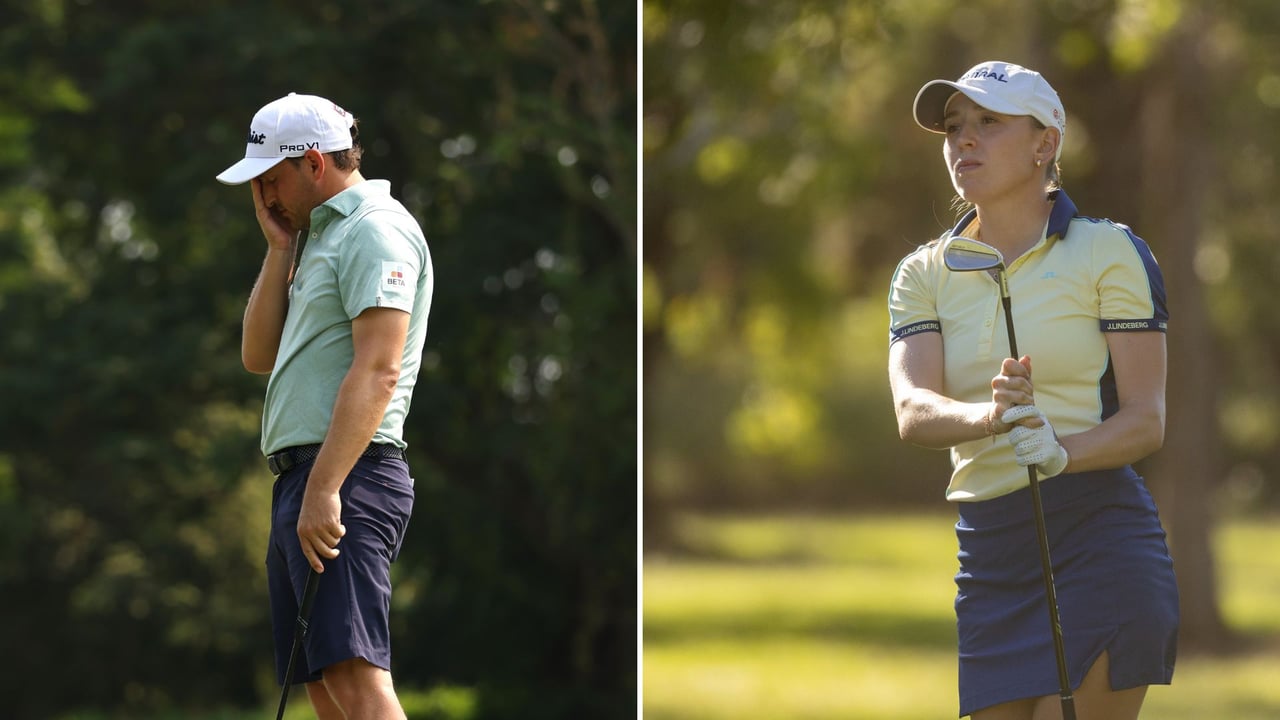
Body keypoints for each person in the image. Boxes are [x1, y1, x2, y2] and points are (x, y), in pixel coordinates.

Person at [886, 61, 1178, 719]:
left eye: (989, 123)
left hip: (1099, 537)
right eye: (955, 127)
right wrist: (993, 416)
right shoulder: (922, 274)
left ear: (1045, 142)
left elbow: (1145, 420)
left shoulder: (1110, 252)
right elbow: (913, 409)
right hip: (990, 554)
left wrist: (1059, 451)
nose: (964, 140)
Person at [217, 92, 432, 720]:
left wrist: (326, 486)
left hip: (348, 476)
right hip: (304, 480)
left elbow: (379, 368)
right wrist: (280, 247)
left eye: (272, 178)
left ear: (313, 163)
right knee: (324, 687)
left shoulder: (376, 229)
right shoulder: (314, 240)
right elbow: (258, 355)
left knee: (357, 678)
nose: (264, 195)